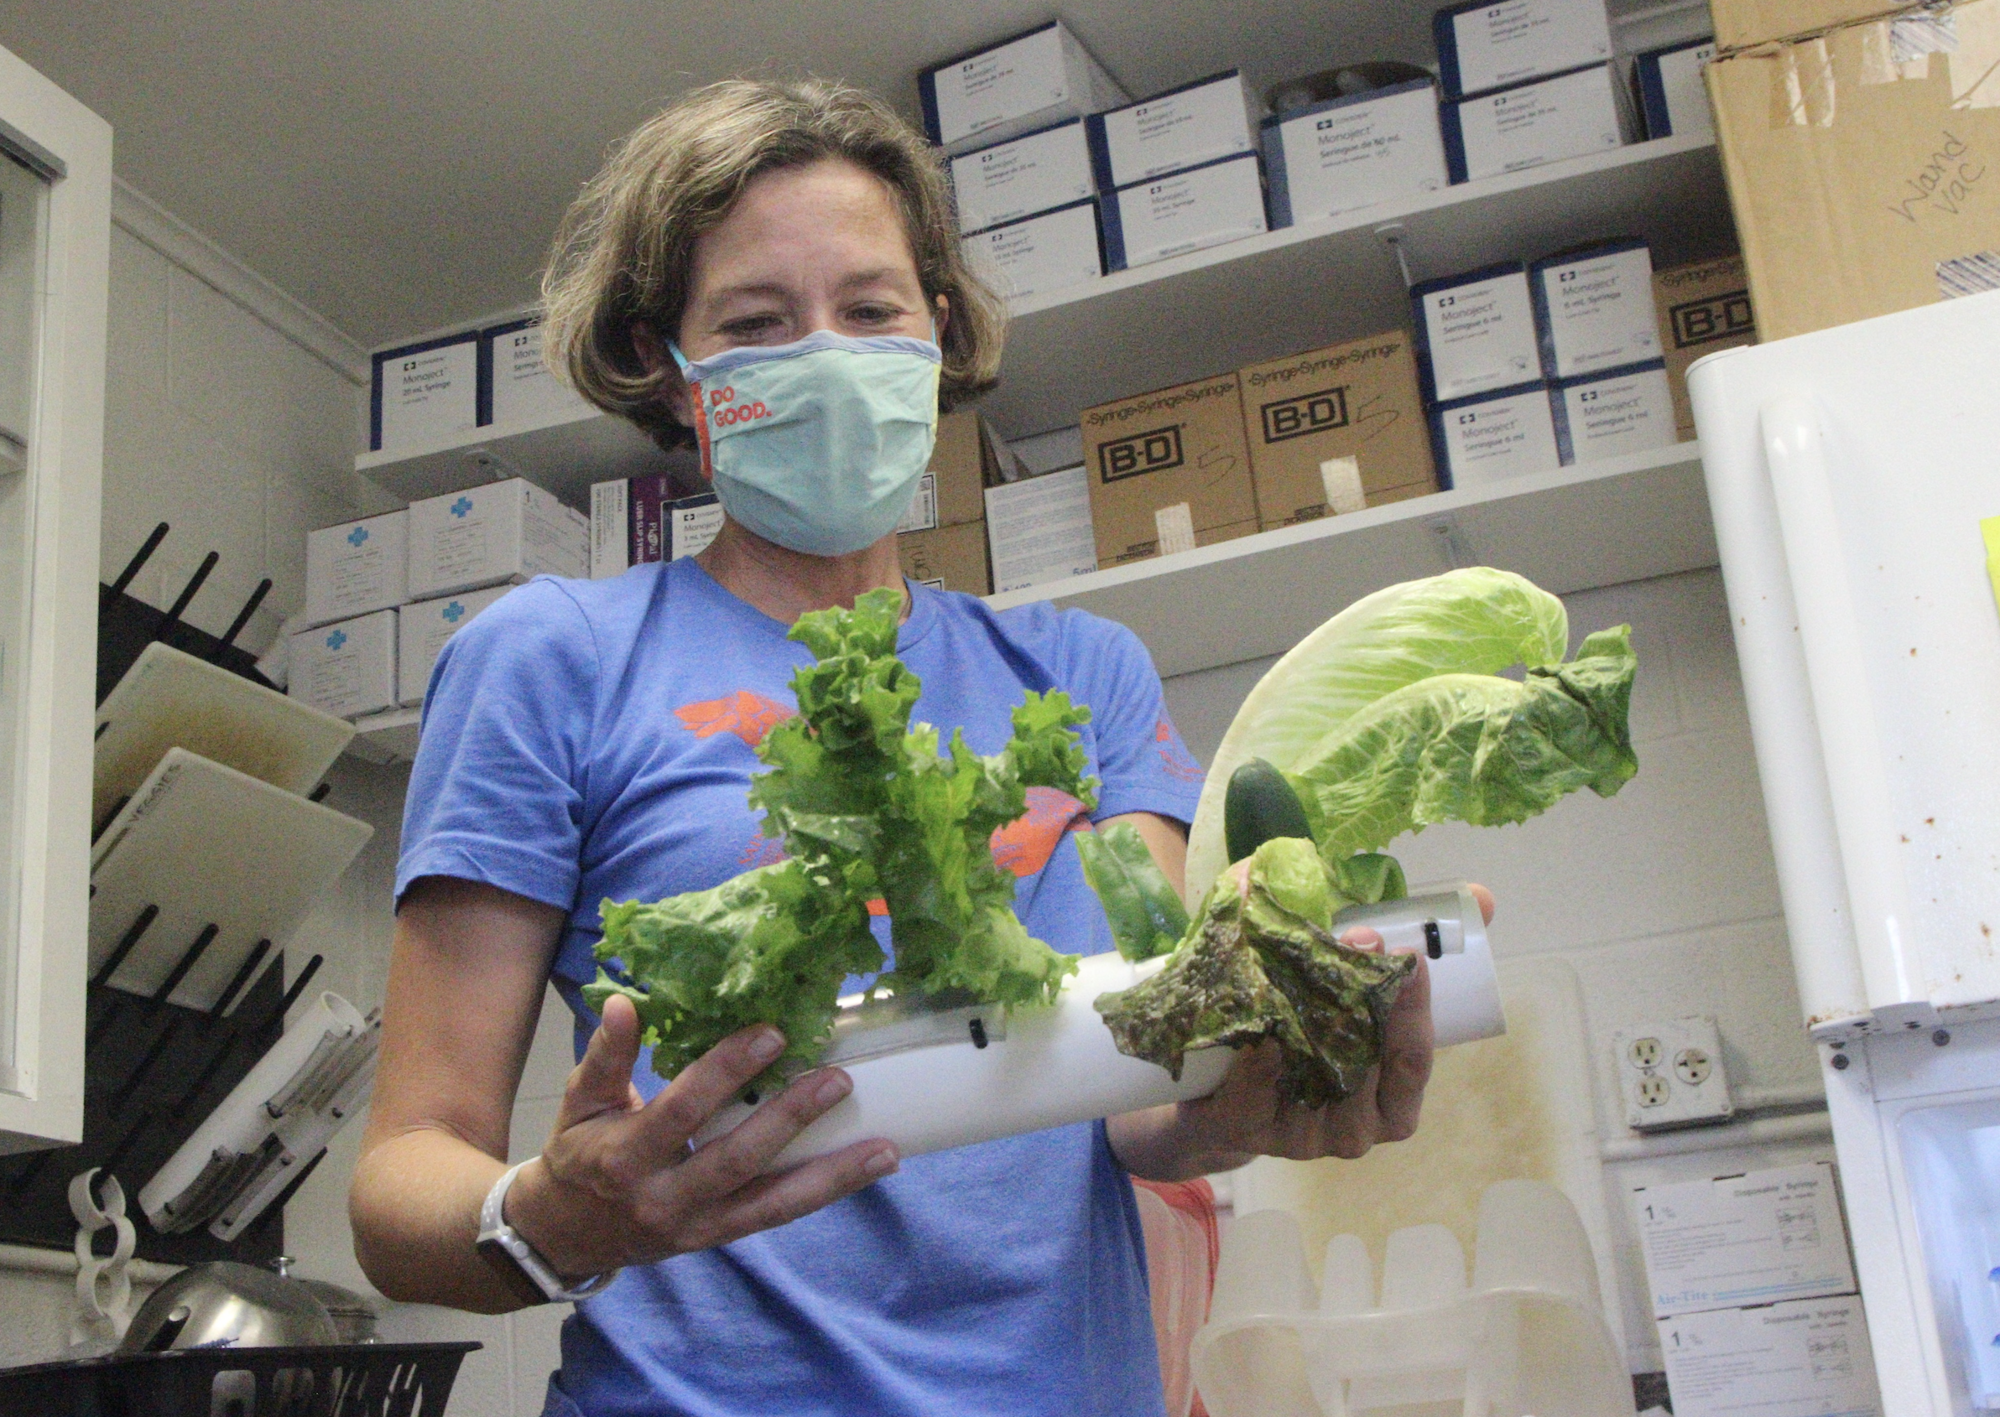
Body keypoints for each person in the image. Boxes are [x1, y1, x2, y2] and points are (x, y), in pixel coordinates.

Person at [350, 78, 1465, 1417]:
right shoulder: (553, 660)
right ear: (674, 369)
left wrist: (1248, 1096)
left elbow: (1145, 1084)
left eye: (870, 310)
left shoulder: (1080, 670)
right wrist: (558, 1213)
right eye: (757, 324)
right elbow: (403, 1181)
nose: (824, 353)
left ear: (936, 332)